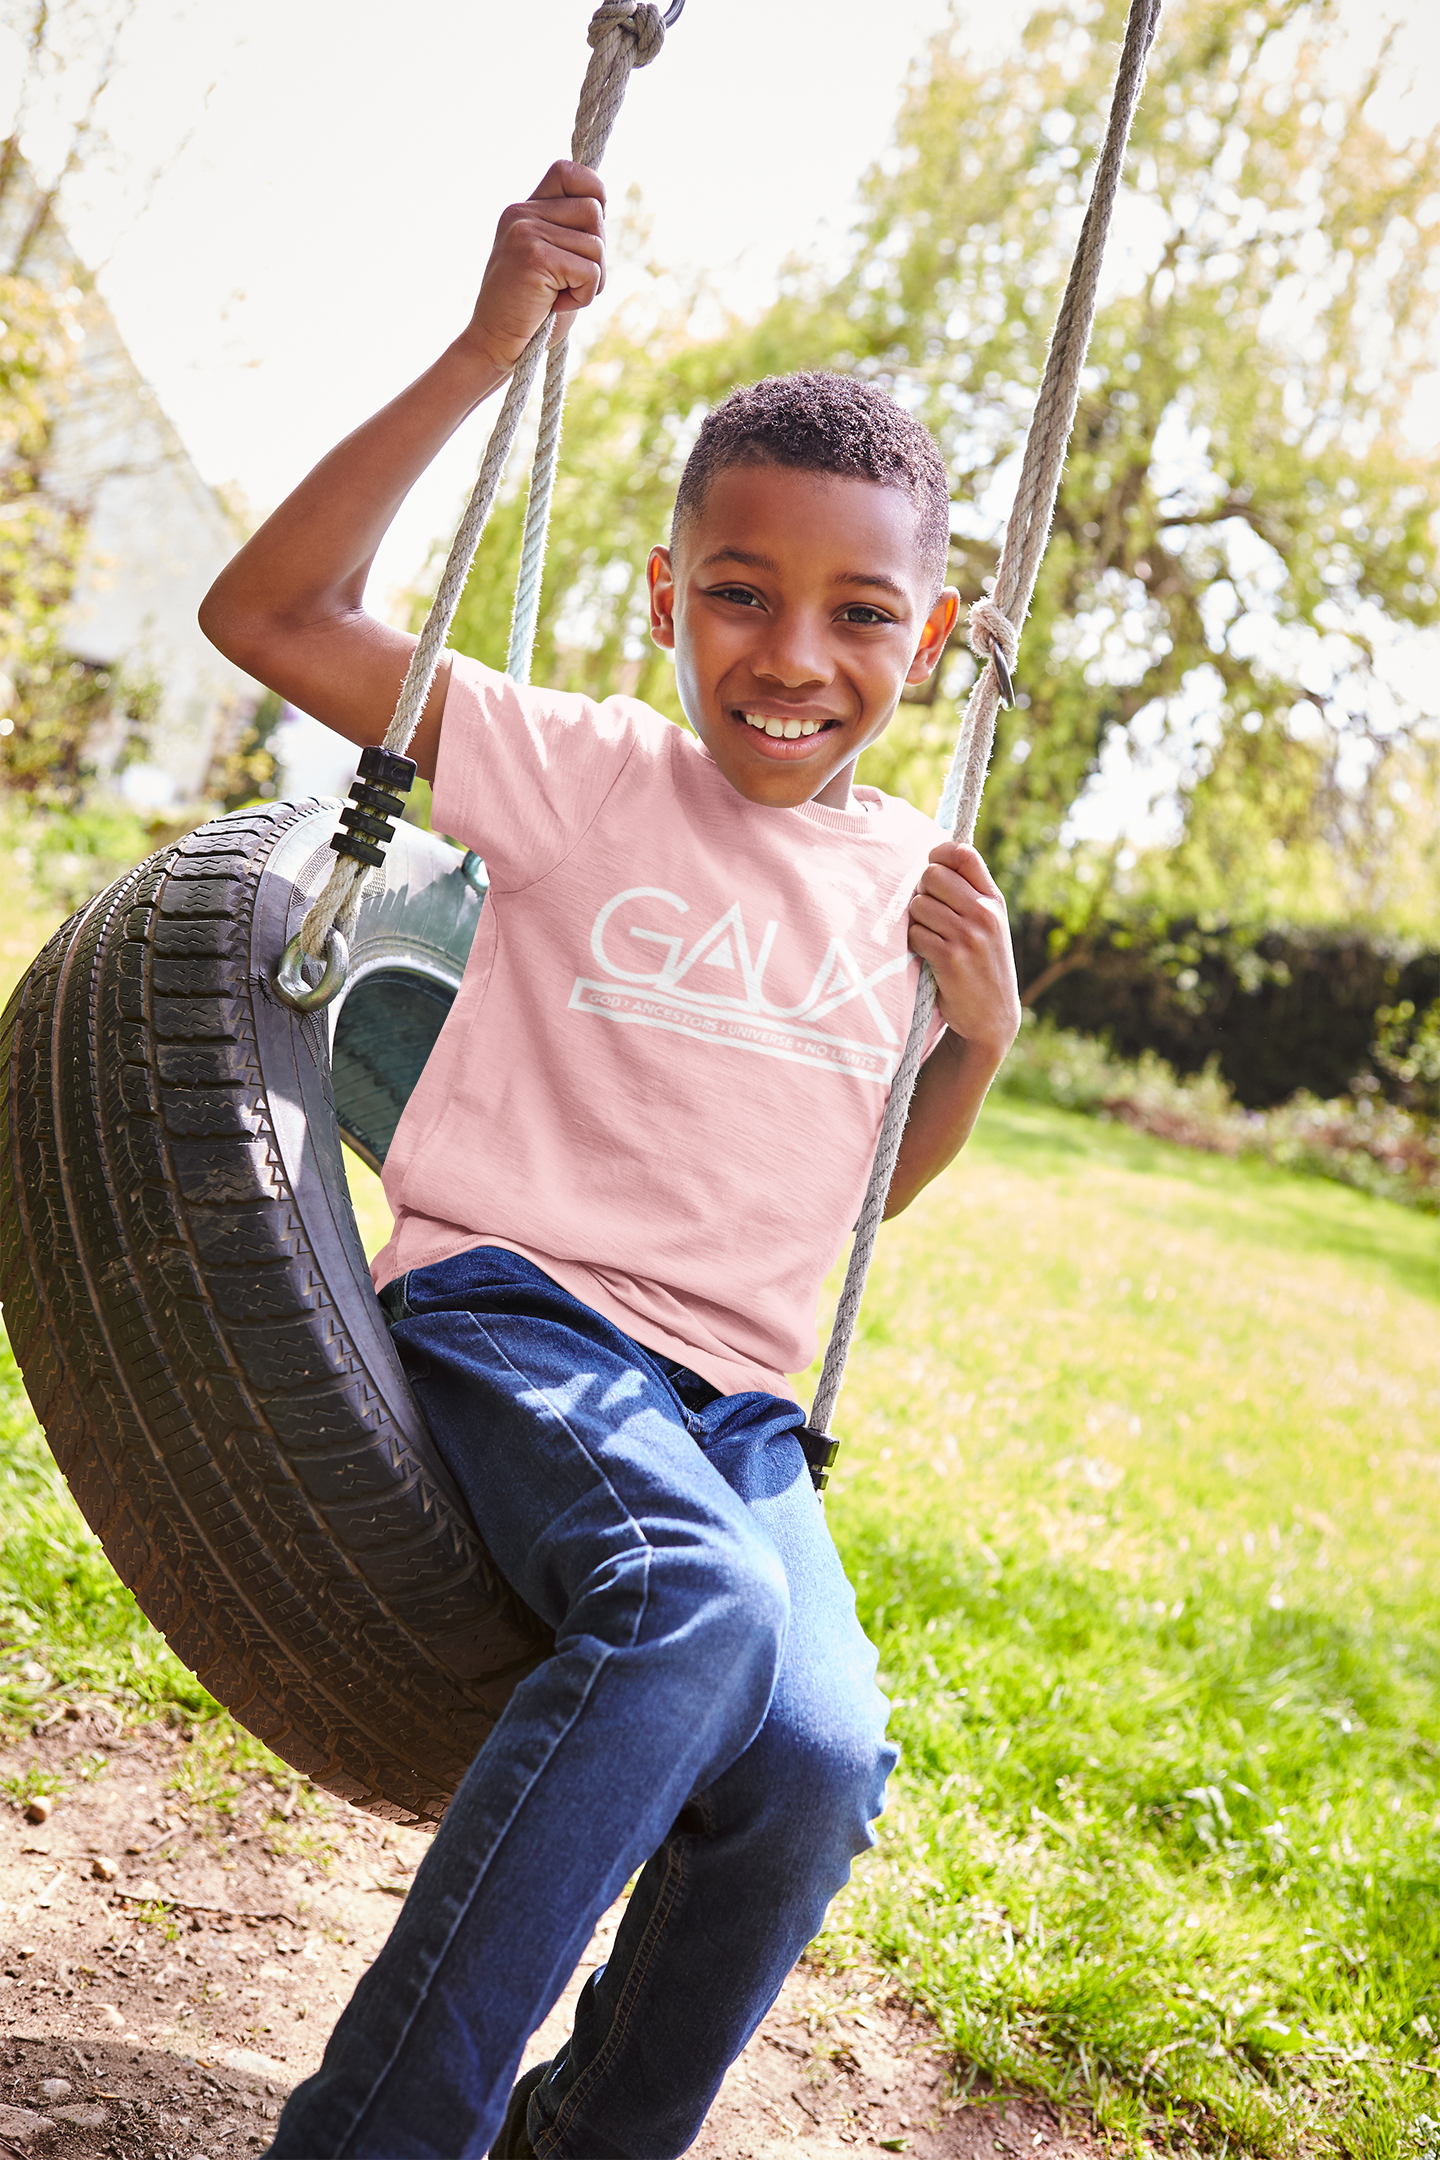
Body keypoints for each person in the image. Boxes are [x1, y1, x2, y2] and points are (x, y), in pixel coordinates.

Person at [201, 158, 1021, 2160]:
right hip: (523, 1316)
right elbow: (270, 612)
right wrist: (488, 352)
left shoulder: (915, 877)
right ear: (668, 597)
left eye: (860, 613)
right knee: (692, 1609)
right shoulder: (580, 769)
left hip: (743, 1414)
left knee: (825, 1759)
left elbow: (838, 1213)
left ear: (935, 635)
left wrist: (979, 1044)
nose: (790, 657)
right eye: (737, 594)